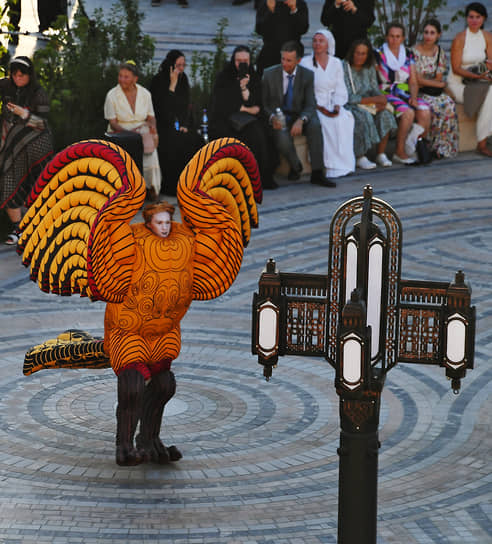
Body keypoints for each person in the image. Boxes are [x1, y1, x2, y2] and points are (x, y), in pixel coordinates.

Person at [262, 41, 335, 187]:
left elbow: (310, 104)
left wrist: (302, 120)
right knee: (281, 135)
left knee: (315, 125)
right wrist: (272, 117)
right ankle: (296, 166)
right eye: (283, 59)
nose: (284, 63)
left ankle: (318, 173)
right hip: (278, 115)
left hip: (298, 114)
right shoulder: (269, 74)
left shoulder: (307, 75)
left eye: (289, 60)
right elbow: (263, 104)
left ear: (298, 60)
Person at [0, 56, 54, 245]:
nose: (17, 79)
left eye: (22, 75)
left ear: (29, 75)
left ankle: (37, 228)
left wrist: (23, 113)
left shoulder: (38, 93)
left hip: (36, 146)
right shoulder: (6, 86)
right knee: (8, 183)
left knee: (36, 187)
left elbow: (42, 123)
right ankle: (18, 228)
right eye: (14, 75)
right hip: (12, 145)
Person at [209, 46, 276, 189]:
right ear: (233, 60)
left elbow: (258, 105)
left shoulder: (254, 76)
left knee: (260, 134)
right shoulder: (224, 76)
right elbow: (221, 103)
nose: (242, 64)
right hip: (226, 118)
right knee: (230, 136)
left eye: (245, 61)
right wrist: (245, 107)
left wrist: (244, 88)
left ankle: (259, 178)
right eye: (238, 61)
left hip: (248, 120)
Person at [374, 22, 432, 165]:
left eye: (398, 36)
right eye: (392, 36)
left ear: (403, 38)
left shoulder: (408, 53)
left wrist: (413, 97)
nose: (394, 39)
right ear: (386, 37)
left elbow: (413, 81)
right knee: (408, 113)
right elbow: (373, 80)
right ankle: (399, 152)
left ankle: (411, 146)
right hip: (386, 91)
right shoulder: (378, 53)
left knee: (425, 111)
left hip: (404, 91)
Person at [301, 30, 355, 178]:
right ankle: (330, 166)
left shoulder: (336, 62)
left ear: (328, 44)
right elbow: (305, 90)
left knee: (344, 119)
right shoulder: (306, 63)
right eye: (315, 41)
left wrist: (337, 105)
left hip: (332, 102)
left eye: (321, 41)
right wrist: (319, 107)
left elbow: (340, 86)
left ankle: (345, 165)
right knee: (325, 123)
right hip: (315, 104)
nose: (317, 44)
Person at [104, 61, 161, 200]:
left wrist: (152, 127)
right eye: (120, 76)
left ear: (135, 79)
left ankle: (151, 189)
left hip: (141, 130)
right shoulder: (112, 95)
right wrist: (129, 134)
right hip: (120, 133)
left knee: (150, 151)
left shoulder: (145, 94)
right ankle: (126, 191)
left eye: (126, 77)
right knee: (133, 145)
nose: (122, 79)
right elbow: (113, 123)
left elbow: (151, 117)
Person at [150, 50, 203, 196]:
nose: (181, 68)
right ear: (171, 65)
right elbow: (162, 109)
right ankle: (172, 186)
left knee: (196, 140)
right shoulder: (158, 81)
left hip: (180, 125)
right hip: (162, 125)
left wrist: (185, 124)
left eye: (183, 65)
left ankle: (191, 184)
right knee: (174, 142)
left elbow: (185, 106)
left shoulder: (183, 79)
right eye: (178, 65)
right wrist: (172, 85)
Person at [343, 39, 397, 169]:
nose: (360, 56)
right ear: (352, 53)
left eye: (363, 53)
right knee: (363, 116)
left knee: (385, 114)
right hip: (351, 104)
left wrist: (380, 99)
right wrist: (374, 101)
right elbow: (348, 96)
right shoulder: (344, 67)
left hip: (369, 102)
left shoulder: (369, 67)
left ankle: (380, 153)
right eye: (357, 53)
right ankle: (360, 156)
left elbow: (374, 87)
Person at [447, 2, 492, 157]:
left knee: (491, 92)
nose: (474, 20)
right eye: (471, 17)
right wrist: (477, 76)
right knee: (491, 93)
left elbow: (490, 62)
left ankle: (483, 141)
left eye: (478, 17)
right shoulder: (460, 38)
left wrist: (485, 74)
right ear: (466, 19)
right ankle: (482, 143)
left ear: (483, 18)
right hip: (458, 83)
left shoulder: (487, 37)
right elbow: (455, 68)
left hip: (480, 80)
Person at [412, 19, 459, 159]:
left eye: (432, 33)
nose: (428, 36)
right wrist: (438, 84)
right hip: (419, 91)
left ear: (438, 35)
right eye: (426, 32)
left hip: (432, 90)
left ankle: (442, 148)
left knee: (449, 104)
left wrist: (435, 83)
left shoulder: (439, 52)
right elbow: (417, 80)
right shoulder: (414, 52)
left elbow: (439, 77)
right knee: (434, 106)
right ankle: (429, 146)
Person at [255, 0, 309, 76]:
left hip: (292, 53)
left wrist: (294, 10)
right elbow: (259, 29)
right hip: (270, 54)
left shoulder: (299, 4)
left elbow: (303, 29)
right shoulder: (266, 3)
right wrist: (270, 11)